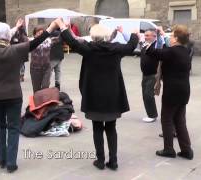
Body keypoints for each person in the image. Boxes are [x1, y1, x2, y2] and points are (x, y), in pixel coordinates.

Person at [0, 17, 57, 173]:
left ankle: (2, 159)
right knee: (14, 128)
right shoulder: (16, 49)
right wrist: (51, 28)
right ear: (8, 36)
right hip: (13, 95)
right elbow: (37, 41)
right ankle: (11, 163)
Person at [55, 18, 139, 170]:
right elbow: (131, 46)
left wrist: (62, 26)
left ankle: (100, 160)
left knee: (97, 127)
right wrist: (134, 34)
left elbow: (72, 42)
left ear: (93, 36)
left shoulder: (88, 48)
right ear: (107, 36)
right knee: (112, 128)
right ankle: (113, 161)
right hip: (112, 94)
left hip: (94, 94)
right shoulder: (116, 49)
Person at [145, 25, 194, 160]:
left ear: (176, 38)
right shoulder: (186, 51)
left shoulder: (172, 52)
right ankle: (187, 150)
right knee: (180, 120)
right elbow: (164, 51)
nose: (170, 38)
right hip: (184, 91)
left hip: (172, 91)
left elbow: (154, 53)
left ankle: (168, 149)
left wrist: (145, 43)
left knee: (166, 120)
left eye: (172, 36)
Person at [30, 26, 52, 93]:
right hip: (35, 69)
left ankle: (44, 103)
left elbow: (59, 39)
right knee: (36, 90)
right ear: (34, 34)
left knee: (45, 87)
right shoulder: (31, 41)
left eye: (42, 33)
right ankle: (37, 103)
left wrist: (65, 29)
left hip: (46, 68)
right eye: (38, 33)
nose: (40, 35)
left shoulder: (49, 41)